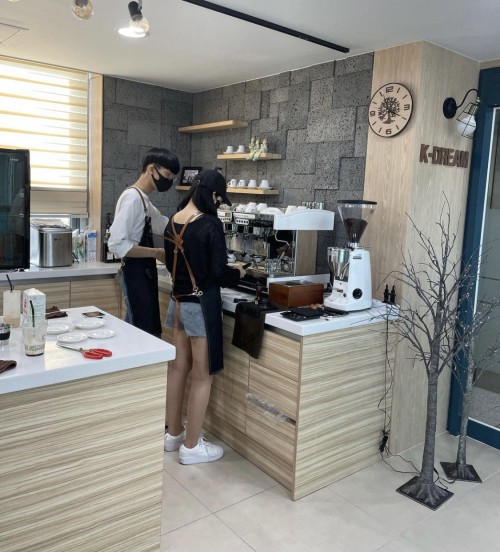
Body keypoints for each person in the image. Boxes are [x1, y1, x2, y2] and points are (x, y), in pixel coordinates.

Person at [163, 169, 246, 464]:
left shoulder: (173, 220)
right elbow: (219, 273)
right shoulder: (209, 224)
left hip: (178, 304)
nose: (218, 205)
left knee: (178, 369)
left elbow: (174, 266)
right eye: (219, 199)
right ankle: (191, 447)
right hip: (200, 306)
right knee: (202, 376)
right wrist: (239, 273)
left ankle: (174, 434)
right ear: (211, 195)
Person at [108, 147, 179, 337]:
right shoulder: (132, 198)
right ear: (151, 169)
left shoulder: (143, 200)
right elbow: (117, 244)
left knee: (136, 330)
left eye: (172, 178)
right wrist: (157, 253)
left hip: (144, 273)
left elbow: (164, 225)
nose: (169, 181)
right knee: (143, 333)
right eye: (167, 175)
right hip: (134, 273)